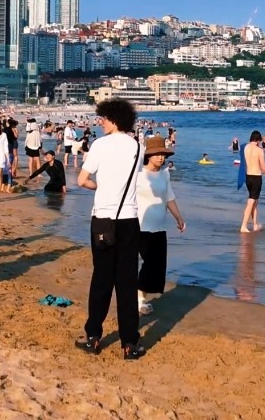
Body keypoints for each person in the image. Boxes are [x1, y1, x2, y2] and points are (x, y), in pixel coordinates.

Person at [75, 98, 147, 360]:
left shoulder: (100, 145)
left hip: (103, 219)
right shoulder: (138, 147)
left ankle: (93, 336)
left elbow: (82, 180)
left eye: (103, 118)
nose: (100, 122)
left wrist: (99, 188)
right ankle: (130, 343)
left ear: (114, 119)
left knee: (102, 279)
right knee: (127, 282)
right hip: (129, 219)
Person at [136, 135, 185, 316]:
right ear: (148, 155)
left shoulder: (165, 175)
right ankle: (139, 298)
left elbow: (169, 197)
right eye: (157, 154)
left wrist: (178, 218)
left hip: (159, 227)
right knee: (148, 264)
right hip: (140, 226)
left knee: (157, 266)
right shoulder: (138, 175)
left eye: (163, 154)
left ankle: (142, 295)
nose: (160, 157)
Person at [241, 131, 265, 233]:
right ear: (258, 140)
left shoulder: (245, 148)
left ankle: (255, 225)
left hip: (247, 176)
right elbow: (263, 167)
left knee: (254, 201)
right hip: (256, 177)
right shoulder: (259, 150)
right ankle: (243, 226)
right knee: (251, 201)